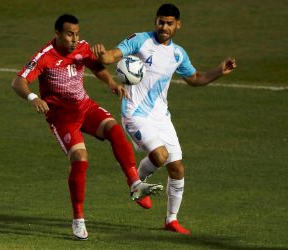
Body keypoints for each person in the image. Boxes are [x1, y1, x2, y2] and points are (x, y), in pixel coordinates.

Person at [11, 14, 163, 240]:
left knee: (113, 129)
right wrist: (34, 98)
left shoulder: (82, 47)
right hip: (62, 116)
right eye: (69, 34)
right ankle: (78, 220)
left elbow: (96, 66)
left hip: (85, 106)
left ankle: (135, 184)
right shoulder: (45, 57)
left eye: (77, 33)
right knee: (80, 159)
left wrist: (111, 82)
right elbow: (18, 81)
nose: (75, 39)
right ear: (57, 34)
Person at [92, 3, 236, 235]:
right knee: (160, 156)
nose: (164, 27)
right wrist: (102, 55)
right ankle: (135, 184)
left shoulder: (178, 54)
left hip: (161, 117)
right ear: (155, 21)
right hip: (135, 113)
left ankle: (171, 220)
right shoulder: (140, 40)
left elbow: (196, 78)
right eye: (161, 22)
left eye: (169, 23)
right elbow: (110, 56)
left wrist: (219, 71)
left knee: (177, 168)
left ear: (178, 24)